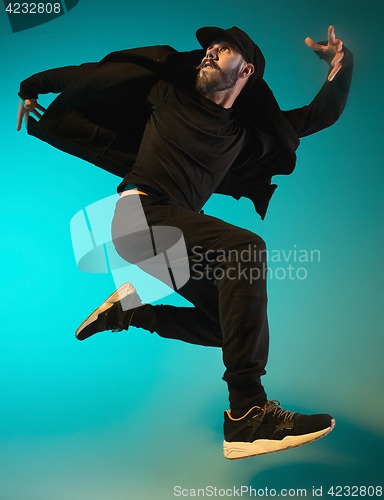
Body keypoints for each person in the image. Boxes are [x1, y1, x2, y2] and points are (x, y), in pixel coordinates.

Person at [17, 25, 353, 460]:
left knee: (226, 325)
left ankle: (133, 313)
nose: (210, 52)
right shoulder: (167, 93)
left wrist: (342, 64)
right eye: (209, 47)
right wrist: (32, 86)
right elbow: (95, 76)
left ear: (246, 69)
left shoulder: (243, 135)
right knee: (245, 250)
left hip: (168, 242)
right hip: (137, 219)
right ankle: (247, 413)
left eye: (224, 49)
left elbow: (319, 115)